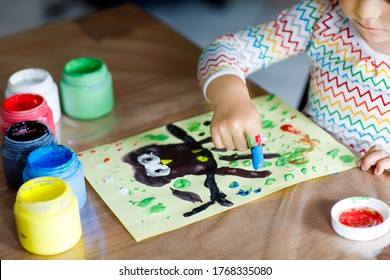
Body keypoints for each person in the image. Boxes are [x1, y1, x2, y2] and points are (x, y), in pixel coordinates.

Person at [197, 0, 390, 175]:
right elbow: (224, 49)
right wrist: (231, 99)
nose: (365, 10)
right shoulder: (323, 16)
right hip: (307, 166)